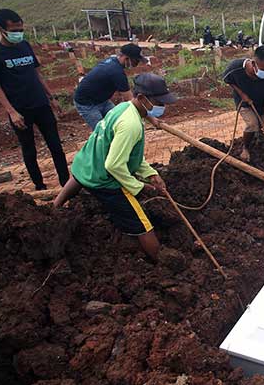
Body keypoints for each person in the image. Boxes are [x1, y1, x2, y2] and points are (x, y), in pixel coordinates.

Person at [53, 73, 176, 261]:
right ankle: (161, 260)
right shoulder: (131, 124)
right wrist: (139, 187)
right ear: (142, 98)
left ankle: (53, 208)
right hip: (104, 178)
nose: (162, 107)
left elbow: (127, 154)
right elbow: (114, 164)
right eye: (159, 102)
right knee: (141, 223)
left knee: (78, 178)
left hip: (87, 163)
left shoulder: (123, 108)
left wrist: (150, 173)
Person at [0, 8, 69, 191]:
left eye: (20, 29)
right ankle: (39, 186)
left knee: (55, 145)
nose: (18, 34)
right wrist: (12, 112)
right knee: (29, 149)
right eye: (13, 30)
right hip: (20, 109)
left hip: (41, 104)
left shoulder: (25, 45)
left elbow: (38, 75)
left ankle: (65, 183)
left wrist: (51, 98)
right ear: (0, 29)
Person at [222, 45, 264, 178]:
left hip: (262, 103)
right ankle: (245, 148)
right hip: (245, 103)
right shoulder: (235, 67)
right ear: (254, 63)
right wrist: (241, 94)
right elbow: (228, 80)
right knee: (253, 124)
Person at [73, 43, 147, 129]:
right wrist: (150, 118)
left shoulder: (112, 60)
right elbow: (131, 100)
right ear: (127, 58)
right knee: (102, 131)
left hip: (102, 100)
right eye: (136, 62)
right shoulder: (116, 72)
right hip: (86, 103)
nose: (136, 65)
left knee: (118, 121)